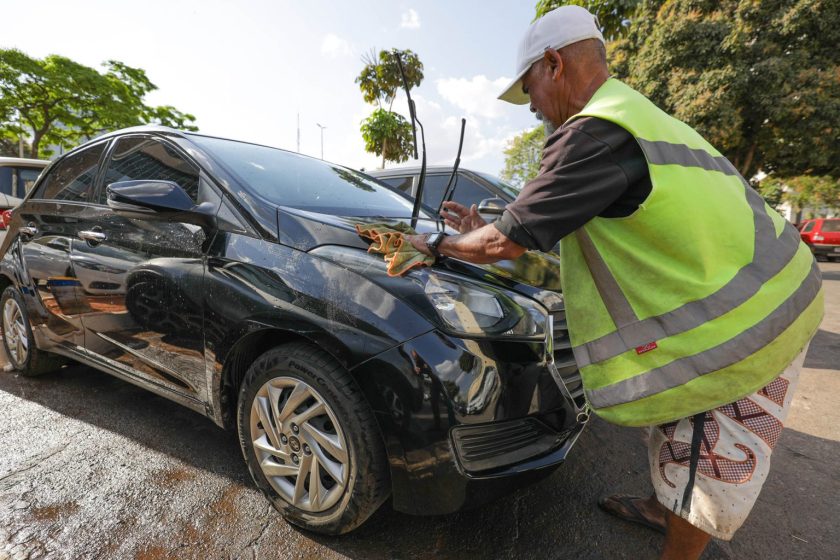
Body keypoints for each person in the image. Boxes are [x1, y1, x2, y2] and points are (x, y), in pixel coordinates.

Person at [406, 5, 823, 560]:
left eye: (529, 87)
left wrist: (438, 245)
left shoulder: (594, 134)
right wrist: (487, 228)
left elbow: (505, 245)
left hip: (746, 329)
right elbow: (556, 226)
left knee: (702, 460)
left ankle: (679, 544)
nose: (531, 107)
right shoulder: (633, 114)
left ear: (553, 64)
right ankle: (662, 506)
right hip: (775, 292)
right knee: (676, 433)